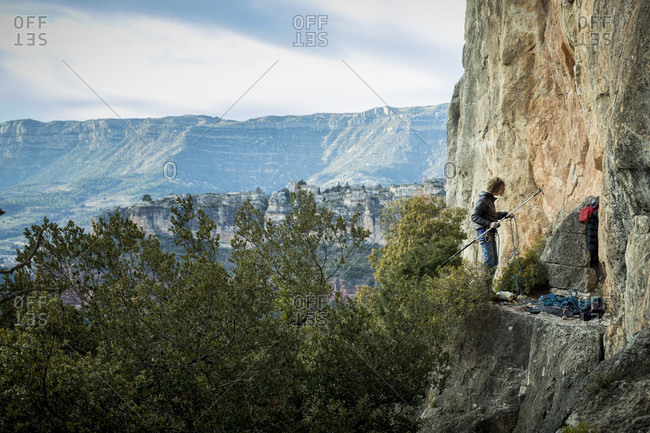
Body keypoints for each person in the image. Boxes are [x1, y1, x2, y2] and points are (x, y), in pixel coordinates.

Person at [471, 177, 513, 278]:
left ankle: (488, 290)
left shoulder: (489, 200)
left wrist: (505, 214)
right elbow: (474, 216)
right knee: (490, 262)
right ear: (496, 187)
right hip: (485, 234)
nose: (503, 190)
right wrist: (489, 224)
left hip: (490, 234)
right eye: (502, 188)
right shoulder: (484, 199)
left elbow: (492, 215)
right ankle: (485, 291)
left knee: (493, 262)